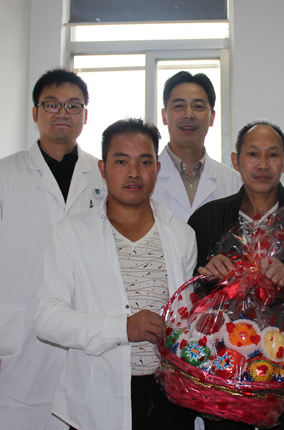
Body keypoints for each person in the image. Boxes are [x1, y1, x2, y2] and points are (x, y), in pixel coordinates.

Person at [0, 69, 106, 429]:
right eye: (52, 104)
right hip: (16, 338)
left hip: (84, 332)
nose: (63, 113)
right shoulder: (0, 177)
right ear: (35, 112)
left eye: (73, 105)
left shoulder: (102, 177)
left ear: (85, 115)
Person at [35, 118, 198, 430]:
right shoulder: (71, 234)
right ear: (102, 168)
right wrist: (123, 328)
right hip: (98, 399)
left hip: (169, 397)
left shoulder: (182, 235)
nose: (134, 172)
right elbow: (47, 319)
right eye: (121, 161)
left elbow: (186, 316)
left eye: (145, 162)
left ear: (157, 169)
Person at [187, 121, 284, 430]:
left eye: (273, 155)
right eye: (253, 154)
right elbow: (189, 294)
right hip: (224, 375)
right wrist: (209, 277)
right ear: (236, 160)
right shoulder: (207, 219)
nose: (263, 165)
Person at [152, 71, 241, 222]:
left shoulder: (234, 182)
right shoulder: (144, 179)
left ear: (212, 117)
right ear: (164, 116)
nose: (188, 114)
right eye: (179, 106)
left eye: (198, 106)